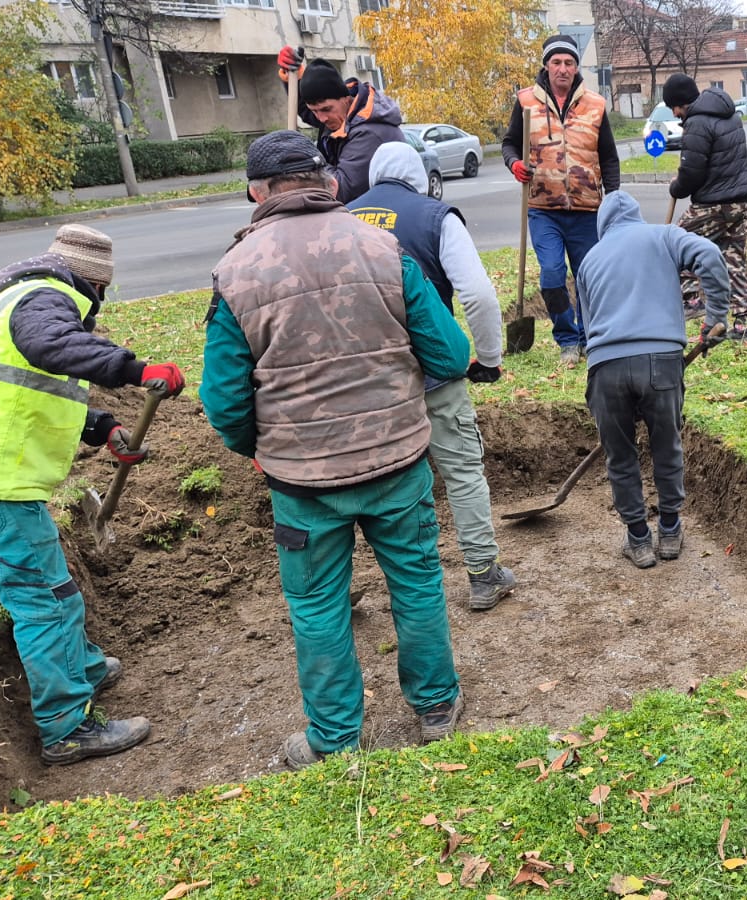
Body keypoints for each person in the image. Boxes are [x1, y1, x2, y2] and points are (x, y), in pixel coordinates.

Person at [201, 130, 472, 768]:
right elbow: (451, 355)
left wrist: (259, 448)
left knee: (317, 604)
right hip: (397, 462)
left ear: (255, 192)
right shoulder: (385, 248)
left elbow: (224, 402)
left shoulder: (236, 272)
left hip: (303, 482)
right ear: (327, 183)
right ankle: (436, 707)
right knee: (416, 580)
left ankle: (333, 736)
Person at [0, 225, 186, 765]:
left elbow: (23, 384)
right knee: (43, 600)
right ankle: (67, 726)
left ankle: (81, 667)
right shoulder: (49, 299)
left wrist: (103, 428)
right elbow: (53, 346)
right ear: (95, 284)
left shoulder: (7, 302)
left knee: (50, 588)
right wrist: (135, 369)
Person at [347, 141, 517, 611]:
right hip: (433, 371)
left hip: (365, 381)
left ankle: (349, 584)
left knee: (366, 481)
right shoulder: (436, 216)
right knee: (461, 471)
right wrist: (487, 357)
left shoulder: (341, 218)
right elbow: (479, 295)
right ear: (420, 177)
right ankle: (484, 574)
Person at [574, 191, 730, 568]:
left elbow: (587, 327)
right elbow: (710, 255)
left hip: (606, 368)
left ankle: (639, 540)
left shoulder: (588, 260)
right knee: (666, 445)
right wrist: (716, 315)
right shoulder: (664, 235)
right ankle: (671, 531)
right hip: (660, 362)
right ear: (636, 216)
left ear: (602, 225)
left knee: (621, 456)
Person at [500, 34, 622, 366]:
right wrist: (515, 163)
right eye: (556, 62)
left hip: (587, 211)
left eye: (569, 63)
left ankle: (589, 338)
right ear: (546, 66)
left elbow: (608, 157)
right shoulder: (526, 102)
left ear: (576, 68)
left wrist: (614, 199)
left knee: (588, 278)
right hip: (543, 209)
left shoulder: (595, 105)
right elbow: (509, 144)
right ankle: (567, 338)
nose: (563, 69)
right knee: (553, 274)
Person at [663, 73, 747, 342]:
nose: (676, 114)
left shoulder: (697, 123)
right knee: (733, 258)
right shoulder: (730, 114)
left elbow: (692, 173)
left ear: (680, 104)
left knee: (675, 243)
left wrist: (676, 187)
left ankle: (692, 300)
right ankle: (742, 327)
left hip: (713, 203)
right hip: (741, 201)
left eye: (674, 107)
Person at [276, 48, 406, 204]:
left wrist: (307, 158)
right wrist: (295, 79)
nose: (321, 118)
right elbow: (306, 109)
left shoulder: (369, 131)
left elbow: (340, 189)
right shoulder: (342, 115)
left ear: (345, 99)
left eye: (326, 109)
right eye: (315, 111)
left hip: (388, 213)